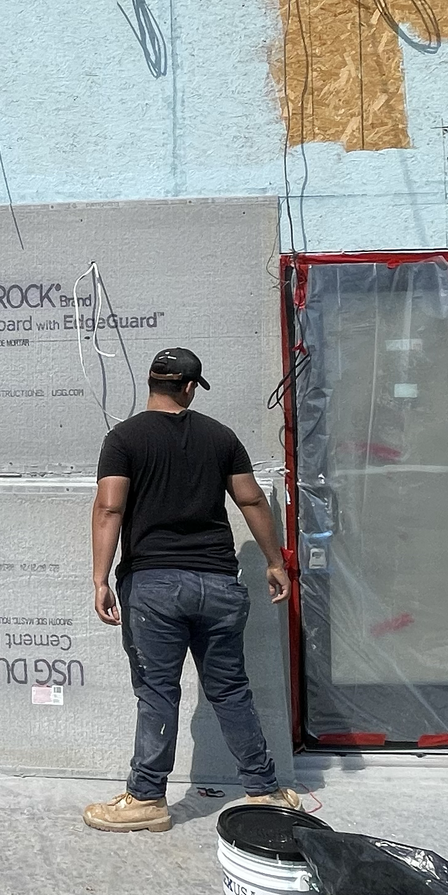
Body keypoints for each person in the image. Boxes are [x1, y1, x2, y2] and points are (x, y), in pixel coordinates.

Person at [84, 346, 295, 832]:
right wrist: (273, 561)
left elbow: (109, 509)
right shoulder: (219, 436)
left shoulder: (124, 438)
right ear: (188, 387)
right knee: (230, 688)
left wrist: (100, 578)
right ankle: (265, 792)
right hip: (219, 583)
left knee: (158, 692)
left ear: (154, 383)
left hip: (153, 586)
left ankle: (147, 800)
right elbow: (251, 498)